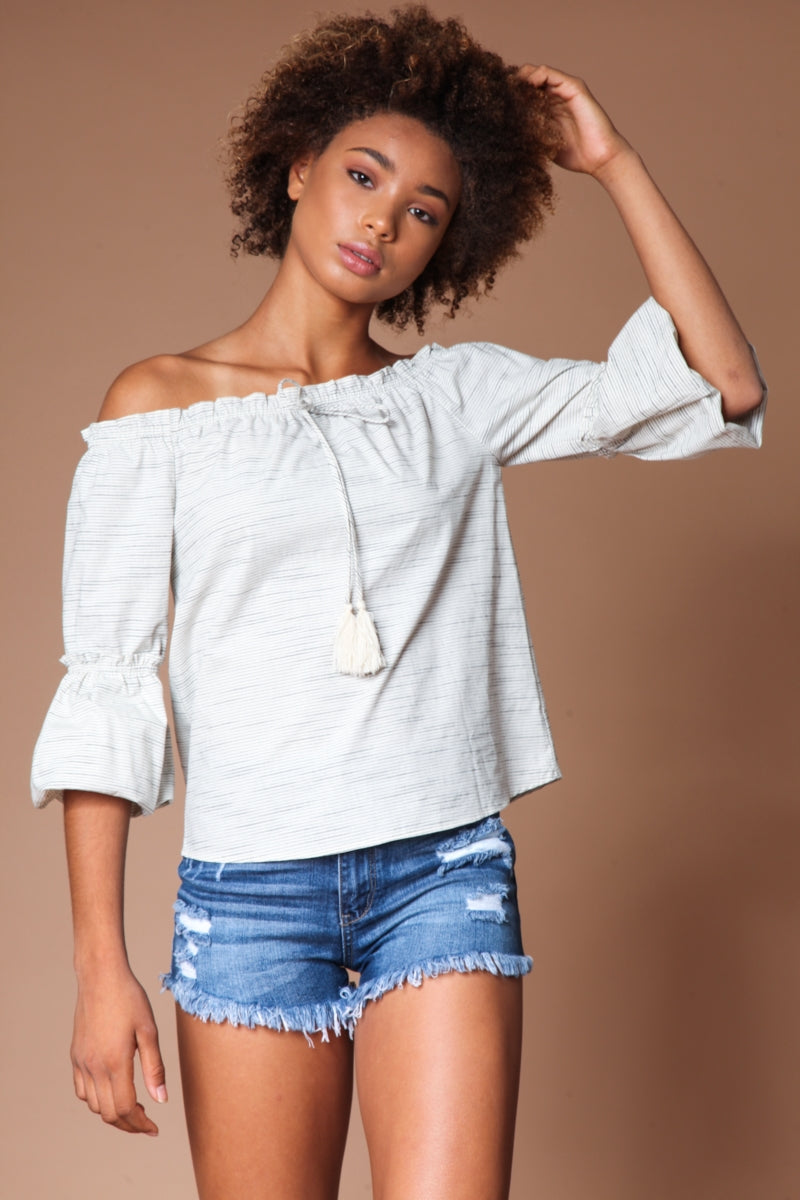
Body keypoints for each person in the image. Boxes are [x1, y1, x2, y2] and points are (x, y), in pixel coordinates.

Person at [30, 6, 765, 1199]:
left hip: (440, 875)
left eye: (423, 209)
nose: (381, 220)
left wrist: (612, 162)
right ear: (297, 167)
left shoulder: (459, 397)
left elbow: (719, 383)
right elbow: (107, 689)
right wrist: (98, 969)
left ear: (447, 244)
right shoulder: (155, 407)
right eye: (364, 177)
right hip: (248, 896)